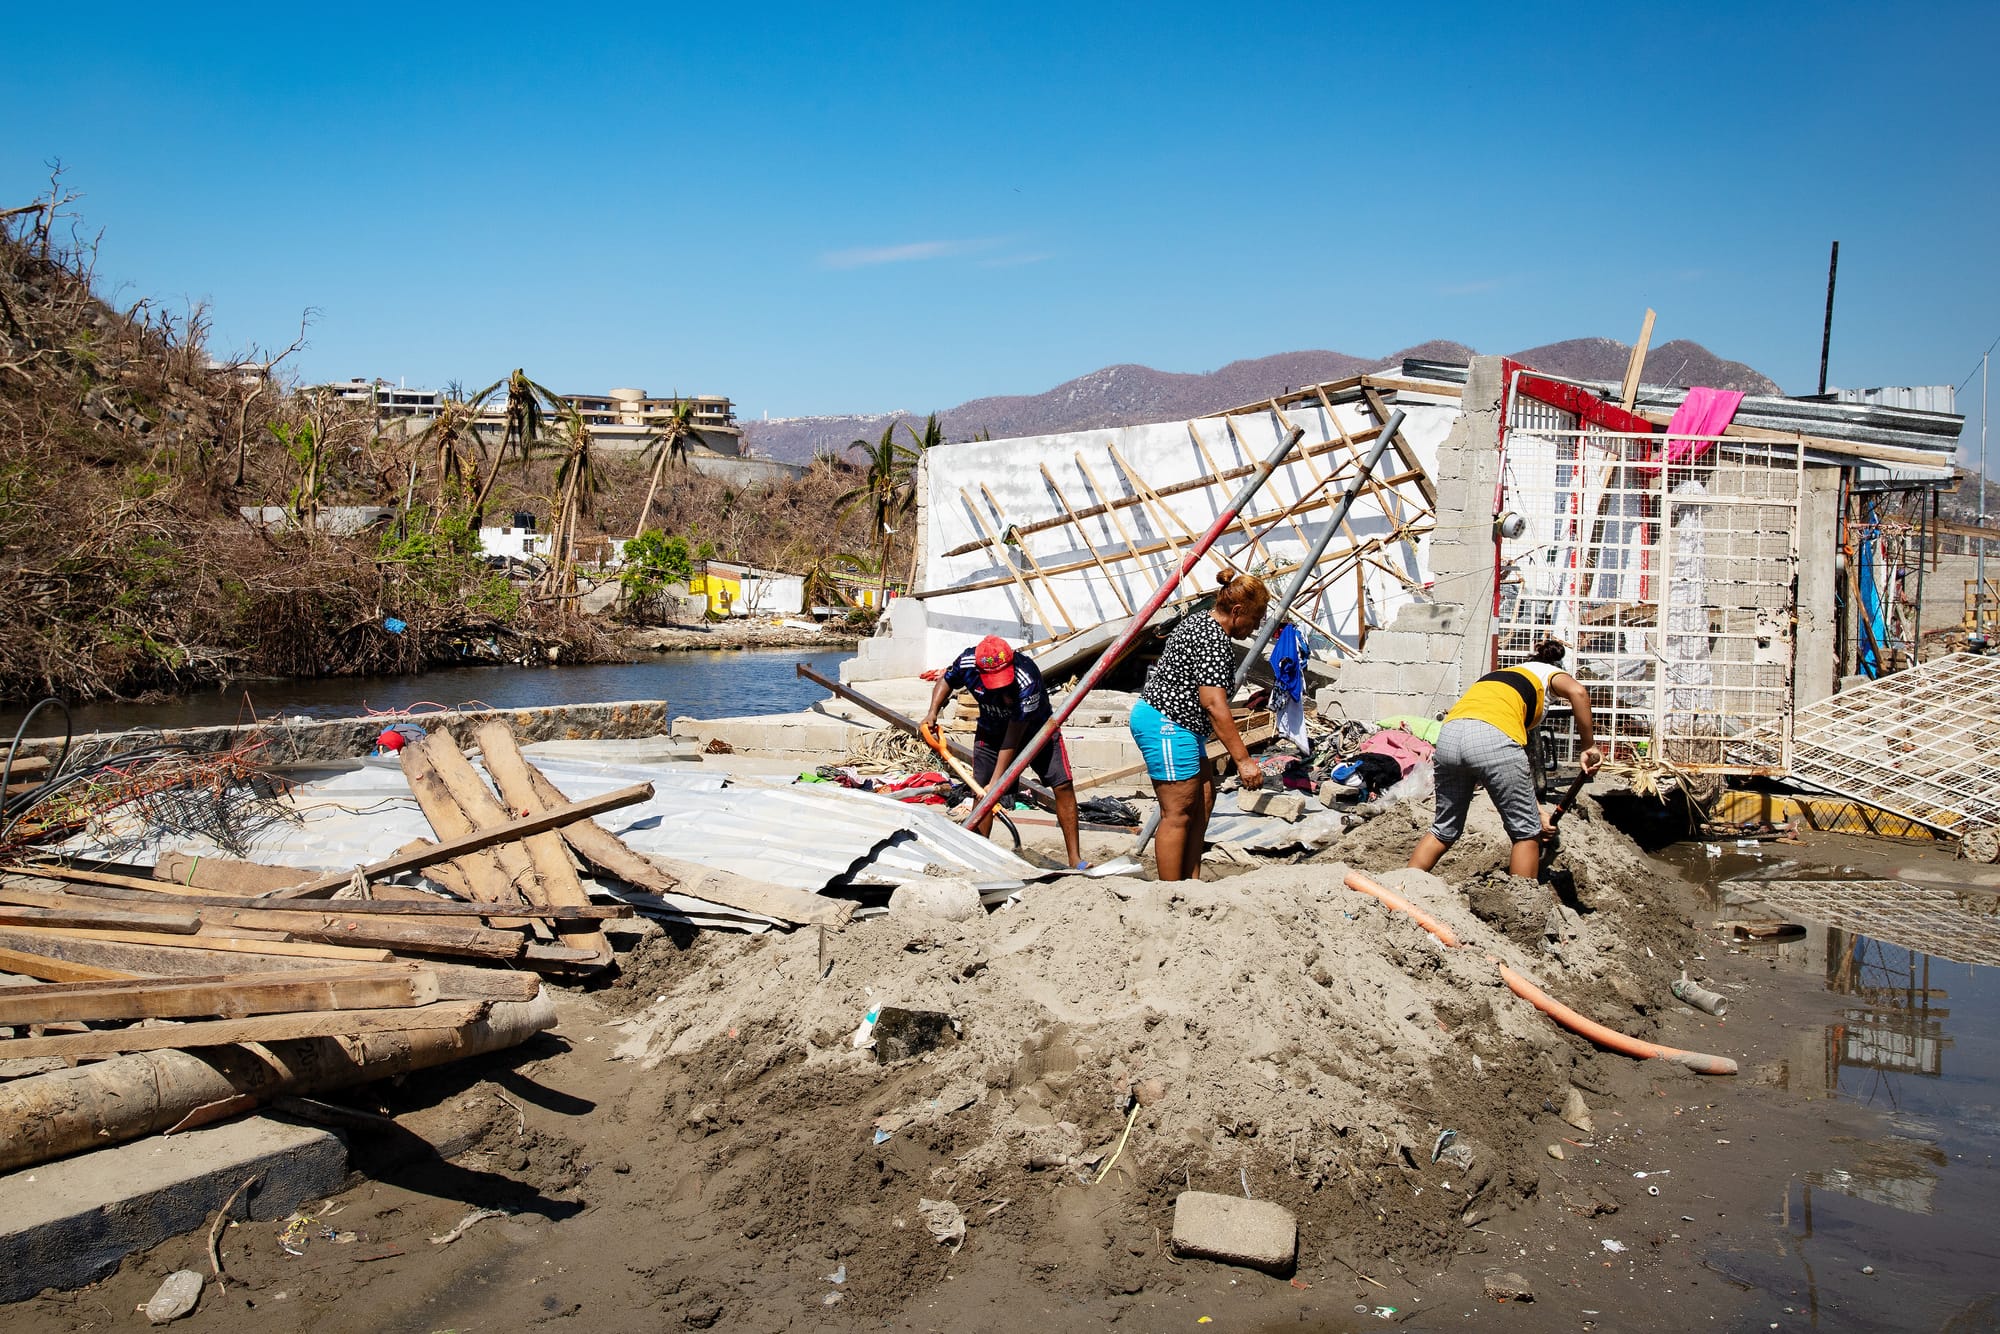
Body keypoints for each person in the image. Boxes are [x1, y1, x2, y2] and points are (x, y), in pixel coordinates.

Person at [1409, 638, 1604, 880]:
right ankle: (1524, 907)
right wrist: (1588, 746)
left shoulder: (1502, 677)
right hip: (1491, 736)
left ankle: (1405, 887)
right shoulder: (1552, 674)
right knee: (1526, 834)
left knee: (1444, 829)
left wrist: (1538, 812)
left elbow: (1516, 774)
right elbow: (1578, 692)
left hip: (1449, 736)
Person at [1128, 572, 1270, 882]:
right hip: (1165, 722)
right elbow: (1214, 705)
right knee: (1177, 813)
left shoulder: (1202, 624)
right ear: (1237, 611)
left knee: (1204, 797)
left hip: (1182, 725)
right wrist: (1244, 761)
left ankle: (1191, 881)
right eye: (1256, 618)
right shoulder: (1212, 639)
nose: (1257, 626)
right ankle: (1169, 894)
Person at [921, 635, 1084, 869]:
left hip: (1036, 730)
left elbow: (1014, 737)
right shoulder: (967, 662)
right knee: (981, 792)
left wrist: (996, 783)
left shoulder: (1027, 677)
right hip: (991, 731)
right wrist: (932, 712)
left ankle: (1075, 859)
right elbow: (946, 681)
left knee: (1063, 785)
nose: (1003, 691)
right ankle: (978, 854)